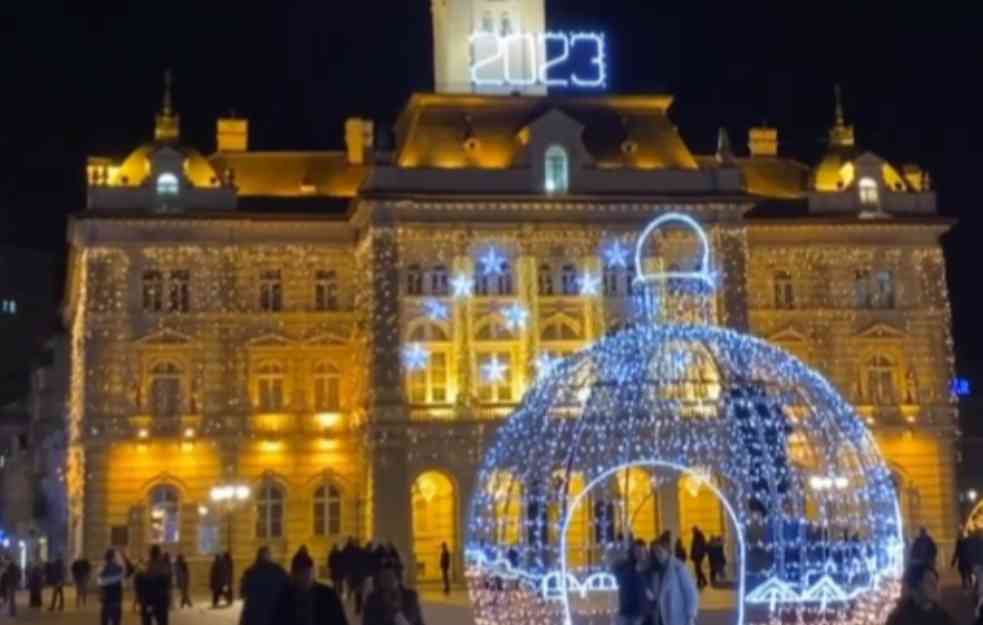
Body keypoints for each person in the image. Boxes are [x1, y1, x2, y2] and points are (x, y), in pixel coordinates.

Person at [273, 547, 349, 625]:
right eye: (302, 575)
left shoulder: (327, 595)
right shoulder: (285, 597)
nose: (305, 579)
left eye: (307, 575)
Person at [647, 532, 699, 625]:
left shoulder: (678, 567)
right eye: (654, 552)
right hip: (661, 615)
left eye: (659, 551)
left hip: (677, 615)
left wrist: (691, 615)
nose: (657, 555)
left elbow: (691, 592)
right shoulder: (656, 570)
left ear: (667, 551)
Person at [885, 564, 956, 625]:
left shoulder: (942, 616)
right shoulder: (899, 618)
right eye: (929, 582)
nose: (935, 586)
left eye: (936, 582)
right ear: (915, 588)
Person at [240, 546, 289, 625]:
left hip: (254, 615)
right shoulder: (278, 570)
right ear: (269, 556)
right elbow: (287, 587)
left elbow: (243, 592)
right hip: (273, 613)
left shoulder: (250, 572)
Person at [612, 540, 649, 625]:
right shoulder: (626, 566)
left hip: (640, 610)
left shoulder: (648, 568)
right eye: (637, 551)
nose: (639, 554)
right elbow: (614, 568)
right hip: (627, 609)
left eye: (642, 551)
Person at [137, 545, 171, 625]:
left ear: (150, 554)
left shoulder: (144, 566)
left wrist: (140, 598)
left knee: (146, 621)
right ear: (159, 554)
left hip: (147, 600)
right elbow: (168, 584)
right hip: (161, 601)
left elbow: (138, 584)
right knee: (162, 621)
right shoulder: (164, 567)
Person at [98, 549, 126, 625]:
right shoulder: (119, 568)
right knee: (116, 621)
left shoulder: (103, 569)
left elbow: (100, 584)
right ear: (114, 557)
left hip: (106, 600)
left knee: (105, 621)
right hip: (116, 600)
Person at [690, 526, 708, 590]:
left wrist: (696, 554)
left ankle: (701, 581)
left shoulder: (699, 537)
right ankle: (702, 581)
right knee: (697, 569)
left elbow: (698, 547)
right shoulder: (696, 537)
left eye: (693, 530)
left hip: (698, 555)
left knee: (698, 569)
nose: (692, 532)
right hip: (697, 555)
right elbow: (693, 547)